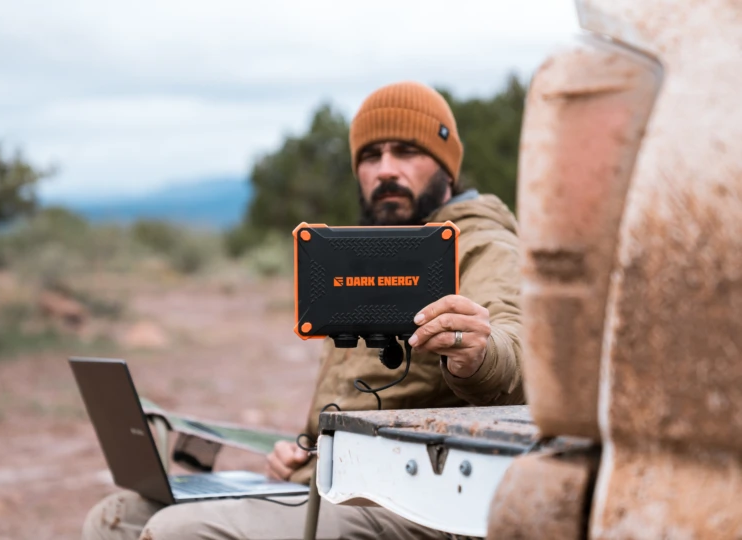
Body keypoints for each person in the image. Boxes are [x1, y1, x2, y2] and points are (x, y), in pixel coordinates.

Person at [82, 81, 524, 540]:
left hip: (415, 495)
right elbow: (359, 396)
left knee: (177, 532)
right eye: (371, 157)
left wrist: (480, 353)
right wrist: (304, 452)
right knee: (116, 519)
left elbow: (516, 343)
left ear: (446, 167)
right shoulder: (377, 246)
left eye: (406, 151)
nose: (386, 170)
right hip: (332, 476)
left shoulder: (480, 244)